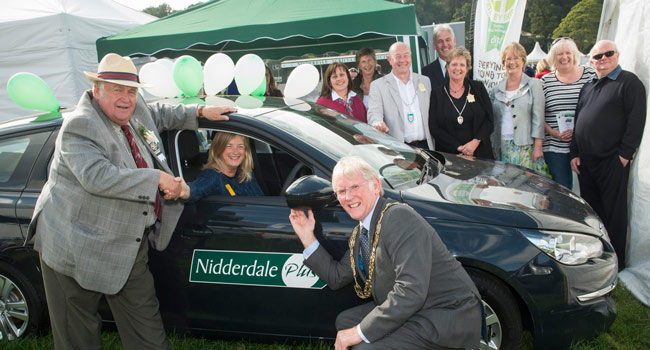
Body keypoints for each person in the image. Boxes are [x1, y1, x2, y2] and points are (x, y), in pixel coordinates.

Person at [24, 53, 235, 349]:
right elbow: (97, 176)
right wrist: (156, 179)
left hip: (127, 242)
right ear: (97, 90)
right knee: (77, 336)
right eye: (117, 90)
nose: (126, 99)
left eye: (132, 91)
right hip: (74, 242)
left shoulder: (134, 109)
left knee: (147, 334)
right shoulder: (80, 126)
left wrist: (199, 111)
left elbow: (160, 114)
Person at [288, 156, 482, 350]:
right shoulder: (361, 233)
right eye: (342, 191)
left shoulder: (398, 217)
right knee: (346, 321)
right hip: (415, 308)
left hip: (443, 316)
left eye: (355, 187)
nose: (348, 196)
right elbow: (337, 277)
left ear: (375, 186)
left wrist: (359, 333)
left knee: (363, 346)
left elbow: (411, 290)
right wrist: (307, 236)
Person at [570, 40, 646, 270]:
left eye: (607, 54)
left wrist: (624, 155)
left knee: (614, 216)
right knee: (593, 215)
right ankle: (597, 258)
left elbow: (636, 120)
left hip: (611, 162)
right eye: (597, 56)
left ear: (617, 55)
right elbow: (578, 120)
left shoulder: (629, 83)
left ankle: (616, 264)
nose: (603, 59)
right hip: (586, 163)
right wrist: (574, 152)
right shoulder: (589, 85)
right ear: (591, 61)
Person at [541, 38, 595, 189]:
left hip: (585, 143)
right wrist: (552, 132)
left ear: (574, 55)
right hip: (555, 145)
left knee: (589, 188)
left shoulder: (590, 75)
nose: (564, 57)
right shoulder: (546, 81)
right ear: (552, 58)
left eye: (568, 53)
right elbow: (538, 113)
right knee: (562, 188)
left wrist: (578, 132)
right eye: (559, 54)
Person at [489, 42, 548, 175]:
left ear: (523, 60)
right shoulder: (495, 90)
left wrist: (538, 146)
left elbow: (538, 117)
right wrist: (493, 145)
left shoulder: (534, 85)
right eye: (508, 59)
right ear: (503, 62)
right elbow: (493, 120)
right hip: (501, 146)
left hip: (525, 147)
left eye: (516, 58)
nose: (512, 62)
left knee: (526, 187)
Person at [429, 47, 494, 159]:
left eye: (462, 65)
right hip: (450, 156)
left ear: (467, 68)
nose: (458, 68)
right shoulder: (437, 94)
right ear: (447, 67)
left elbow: (489, 120)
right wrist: (459, 147)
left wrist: (475, 142)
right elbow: (434, 127)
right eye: (454, 64)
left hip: (480, 153)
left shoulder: (478, 89)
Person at [368, 42, 434, 150]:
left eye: (406, 55)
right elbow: (374, 113)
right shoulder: (378, 86)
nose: (402, 60)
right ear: (389, 60)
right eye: (397, 56)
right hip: (398, 148)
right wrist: (377, 122)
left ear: (411, 57)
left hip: (427, 147)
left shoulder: (425, 81)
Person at [181, 132, 263, 201]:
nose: (235, 152)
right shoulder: (212, 175)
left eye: (240, 146)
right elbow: (194, 191)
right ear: (218, 149)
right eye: (229, 146)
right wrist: (183, 191)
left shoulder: (245, 173)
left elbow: (261, 200)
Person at [422, 23, 456, 89]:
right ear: (434, 46)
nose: (445, 45)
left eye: (448, 40)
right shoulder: (425, 74)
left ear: (454, 41)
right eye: (440, 41)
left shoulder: (466, 70)